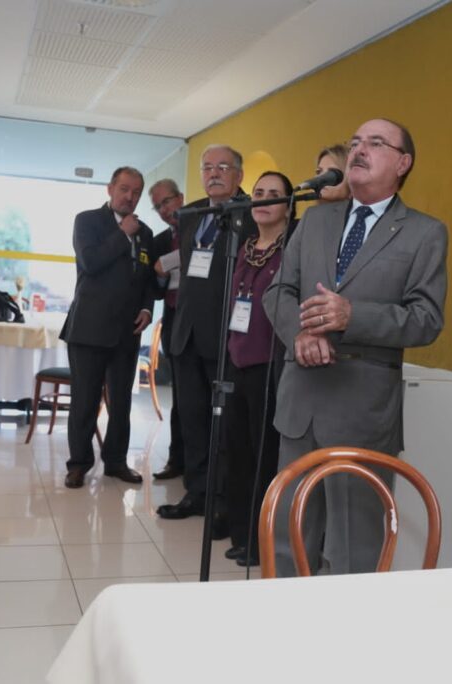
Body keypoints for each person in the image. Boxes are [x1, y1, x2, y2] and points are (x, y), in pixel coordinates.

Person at [263, 119, 448, 576]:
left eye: (376, 143)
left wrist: (353, 316)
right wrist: (300, 334)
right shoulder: (315, 221)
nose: (360, 150)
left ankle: (349, 623)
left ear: (403, 163)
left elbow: (426, 319)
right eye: (356, 142)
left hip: (362, 411)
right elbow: (279, 291)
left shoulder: (424, 232)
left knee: (354, 550)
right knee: (288, 538)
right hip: (302, 402)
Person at [156, 145, 258, 523]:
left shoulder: (251, 214)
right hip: (186, 334)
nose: (214, 173)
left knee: (225, 426)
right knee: (192, 421)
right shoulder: (191, 214)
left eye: (223, 167)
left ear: (239, 175)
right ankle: (196, 493)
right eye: (207, 168)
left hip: (225, 336)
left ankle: (223, 501)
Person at [60, 167, 156, 488]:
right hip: (88, 329)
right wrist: (122, 234)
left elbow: (146, 279)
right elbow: (90, 262)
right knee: (85, 401)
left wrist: (147, 308)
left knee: (122, 403)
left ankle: (115, 462)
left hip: (127, 332)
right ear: (110, 189)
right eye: (124, 189)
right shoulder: (87, 221)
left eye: (136, 192)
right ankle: (78, 464)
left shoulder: (145, 233)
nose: (130, 197)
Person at [224, 171, 294, 566]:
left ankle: (261, 541)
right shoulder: (245, 246)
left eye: (274, 194)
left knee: (264, 456)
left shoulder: (293, 250)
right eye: (259, 193)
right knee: (238, 455)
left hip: (270, 365)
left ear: (288, 205)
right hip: (237, 360)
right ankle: (240, 533)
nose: (264, 200)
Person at [148, 179, 186, 481]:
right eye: (158, 206)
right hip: (174, 318)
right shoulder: (160, 240)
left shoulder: (203, 227)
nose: (164, 210)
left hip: (206, 321)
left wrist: (171, 262)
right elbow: (156, 286)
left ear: (180, 198)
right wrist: (161, 273)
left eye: (167, 201)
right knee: (180, 394)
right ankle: (177, 459)